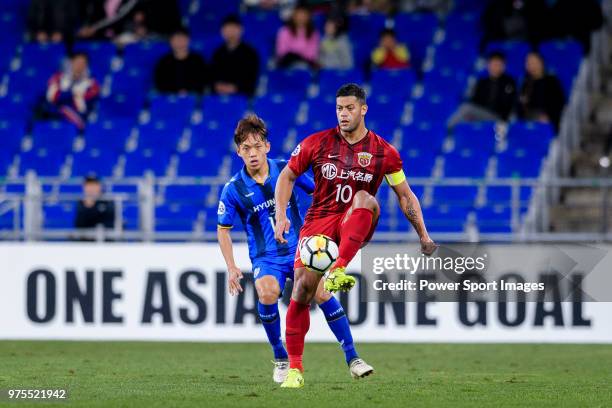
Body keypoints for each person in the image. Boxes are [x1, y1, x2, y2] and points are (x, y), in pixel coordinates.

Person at [274, 83, 437, 388]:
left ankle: (338, 268)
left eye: (349, 108)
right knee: (301, 291)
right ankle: (295, 369)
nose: (343, 114)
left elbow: (405, 195)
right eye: (339, 108)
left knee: (366, 198)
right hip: (318, 226)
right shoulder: (317, 143)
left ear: (363, 109)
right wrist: (281, 214)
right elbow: (288, 175)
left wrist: (424, 236)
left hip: (354, 224)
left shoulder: (384, 152)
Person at [217, 114, 373, 385]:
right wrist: (231, 267)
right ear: (238, 152)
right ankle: (280, 356)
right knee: (267, 292)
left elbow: (319, 192)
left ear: (267, 146)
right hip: (266, 257)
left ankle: (353, 358)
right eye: (246, 149)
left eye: (257, 146)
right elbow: (223, 230)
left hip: (302, 247)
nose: (252, 154)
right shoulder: (233, 190)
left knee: (323, 293)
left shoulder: (285, 169)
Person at [448, 52, 517, 128]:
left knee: (466, 108)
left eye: (498, 64)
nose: (495, 67)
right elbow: (475, 101)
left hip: (498, 116)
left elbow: (509, 104)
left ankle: (448, 129)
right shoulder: (482, 82)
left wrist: (504, 119)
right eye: (493, 64)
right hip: (482, 115)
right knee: (464, 120)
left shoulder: (509, 82)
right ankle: (452, 136)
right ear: (488, 65)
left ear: (503, 66)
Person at [44, 52, 100, 130]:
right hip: (55, 114)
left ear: (87, 65)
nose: (79, 66)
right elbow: (51, 97)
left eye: (83, 63)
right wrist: (72, 95)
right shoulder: (58, 77)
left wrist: (67, 95)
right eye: (77, 62)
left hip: (79, 117)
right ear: (72, 62)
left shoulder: (91, 83)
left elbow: (85, 103)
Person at [210, 16, 260, 97]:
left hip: (243, 97)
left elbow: (251, 78)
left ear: (241, 30)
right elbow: (212, 77)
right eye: (228, 29)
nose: (231, 32)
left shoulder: (250, 53)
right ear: (222, 31)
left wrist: (235, 88)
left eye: (234, 28)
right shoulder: (217, 53)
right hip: (219, 96)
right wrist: (218, 86)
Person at [518, 52, 565, 130]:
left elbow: (559, 104)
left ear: (541, 63)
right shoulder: (525, 83)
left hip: (548, 120)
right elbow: (520, 106)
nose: (531, 65)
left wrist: (549, 116)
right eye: (528, 62)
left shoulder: (552, 81)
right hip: (528, 120)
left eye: (534, 62)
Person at [154, 28, 208, 94]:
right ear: (171, 42)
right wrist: (176, 91)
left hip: (193, 96)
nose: (180, 42)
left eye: (182, 39)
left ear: (188, 40)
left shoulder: (198, 60)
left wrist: (187, 91)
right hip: (170, 97)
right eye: (176, 39)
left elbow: (203, 81)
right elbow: (160, 83)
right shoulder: (164, 62)